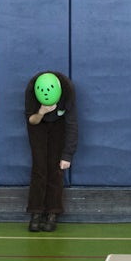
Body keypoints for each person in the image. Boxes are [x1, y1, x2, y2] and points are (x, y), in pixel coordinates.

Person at [24, 70, 77, 232]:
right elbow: (31, 120)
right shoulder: (32, 90)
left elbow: (72, 123)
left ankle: (53, 213)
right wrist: (42, 111)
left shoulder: (67, 89)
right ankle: (36, 213)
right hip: (38, 122)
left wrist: (67, 155)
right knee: (39, 167)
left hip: (59, 123)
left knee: (56, 168)